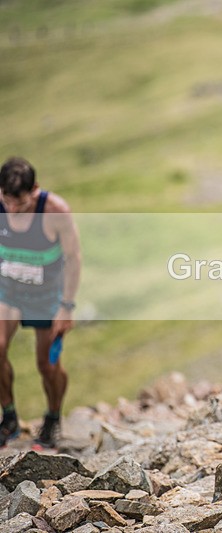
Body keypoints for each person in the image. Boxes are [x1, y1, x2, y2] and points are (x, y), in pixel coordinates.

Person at [0, 157, 81, 449]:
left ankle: (53, 418)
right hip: (7, 291)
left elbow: (73, 259)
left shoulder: (55, 211)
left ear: (34, 190)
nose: (12, 211)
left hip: (46, 296)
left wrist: (67, 307)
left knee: (47, 365)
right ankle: (9, 418)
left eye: (20, 205)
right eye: (6, 202)